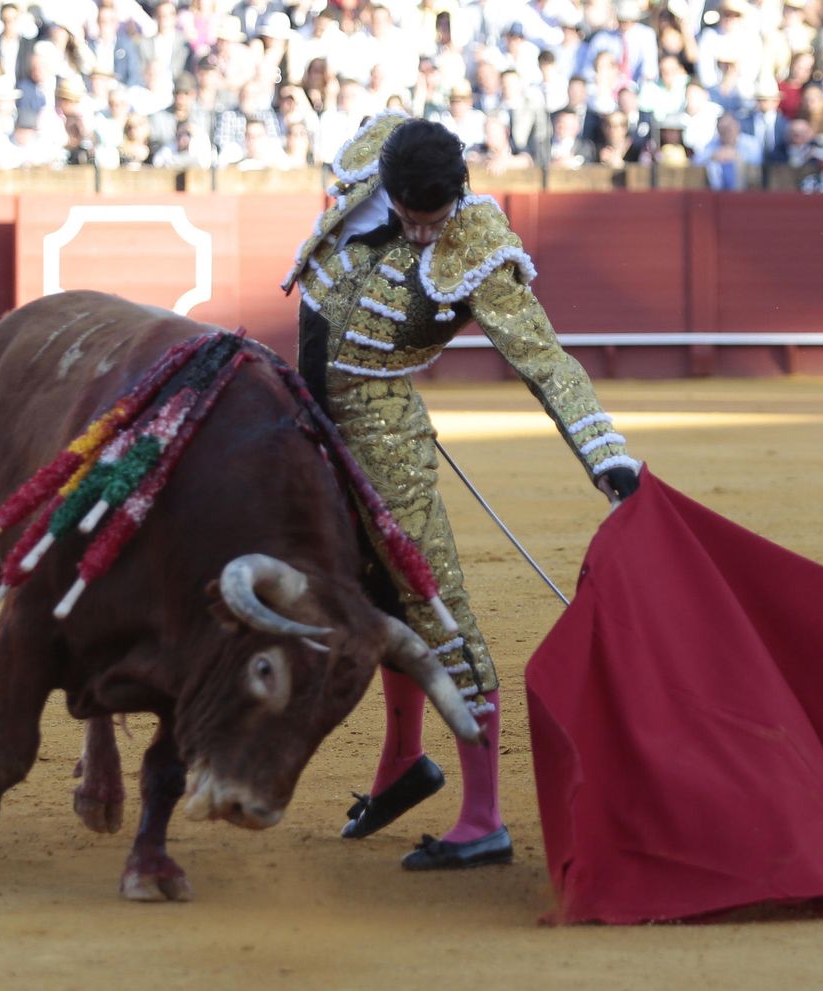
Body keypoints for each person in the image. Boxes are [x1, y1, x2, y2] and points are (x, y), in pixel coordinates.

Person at [283, 113, 640, 870]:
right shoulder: (365, 160)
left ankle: (483, 819)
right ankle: (402, 764)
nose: (420, 237)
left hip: (382, 434)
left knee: (432, 604)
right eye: (411, 220)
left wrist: (606, 456)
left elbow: (546, 360)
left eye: (433, 221)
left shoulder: (475, 241)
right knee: (372, 593)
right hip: (300, 411)